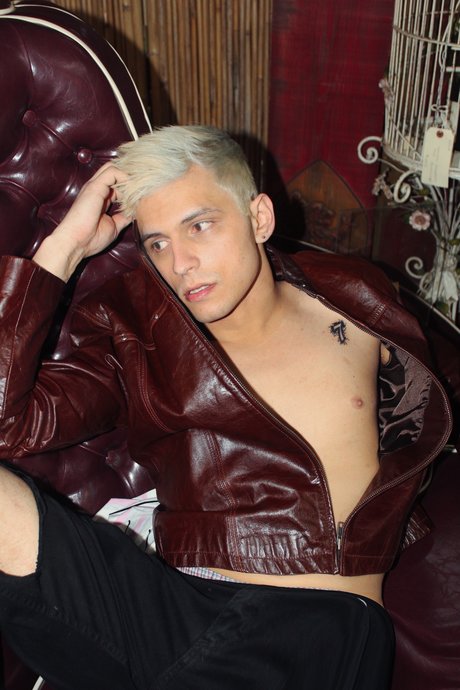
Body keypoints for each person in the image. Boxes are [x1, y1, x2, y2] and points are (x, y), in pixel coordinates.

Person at [0, 126, 451, 690]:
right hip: (170, 606)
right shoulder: (131, 333)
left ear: (259, 218)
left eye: (200, 226)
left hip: (315, 622)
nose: (180, 262)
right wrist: (64, 247)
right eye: (157, 243)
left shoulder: (353, 298)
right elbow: (7, 424)